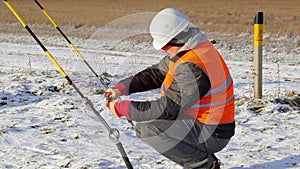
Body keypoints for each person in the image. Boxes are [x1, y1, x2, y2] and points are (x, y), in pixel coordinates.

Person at [105, 8, 235, 169]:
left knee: (149, 129)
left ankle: (204, 165)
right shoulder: (190, 47)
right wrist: (123, 88)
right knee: (151, 126)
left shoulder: (194, 68)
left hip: (213, 132)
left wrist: (122, 108)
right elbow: (156, 74)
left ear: (177, 38)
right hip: (202, 124)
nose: (162, 50)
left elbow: (167, 108)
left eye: (165, 45)